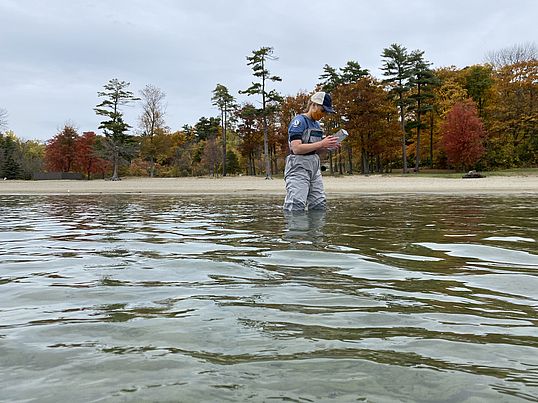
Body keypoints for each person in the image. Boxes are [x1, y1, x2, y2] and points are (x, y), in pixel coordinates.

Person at [283, 91, 339, 211]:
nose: (323, 114)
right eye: (322, 110)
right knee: (296, 205)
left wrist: (326, 146)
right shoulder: (299, 121)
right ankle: (296, 229)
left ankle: (315, 230)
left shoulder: (317, 126)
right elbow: (296, 148)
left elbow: (315, 150)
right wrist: (321, 143)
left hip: (313, 166)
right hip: (298, 167)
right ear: (313, 105)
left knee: (319, 205)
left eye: (326, 112)